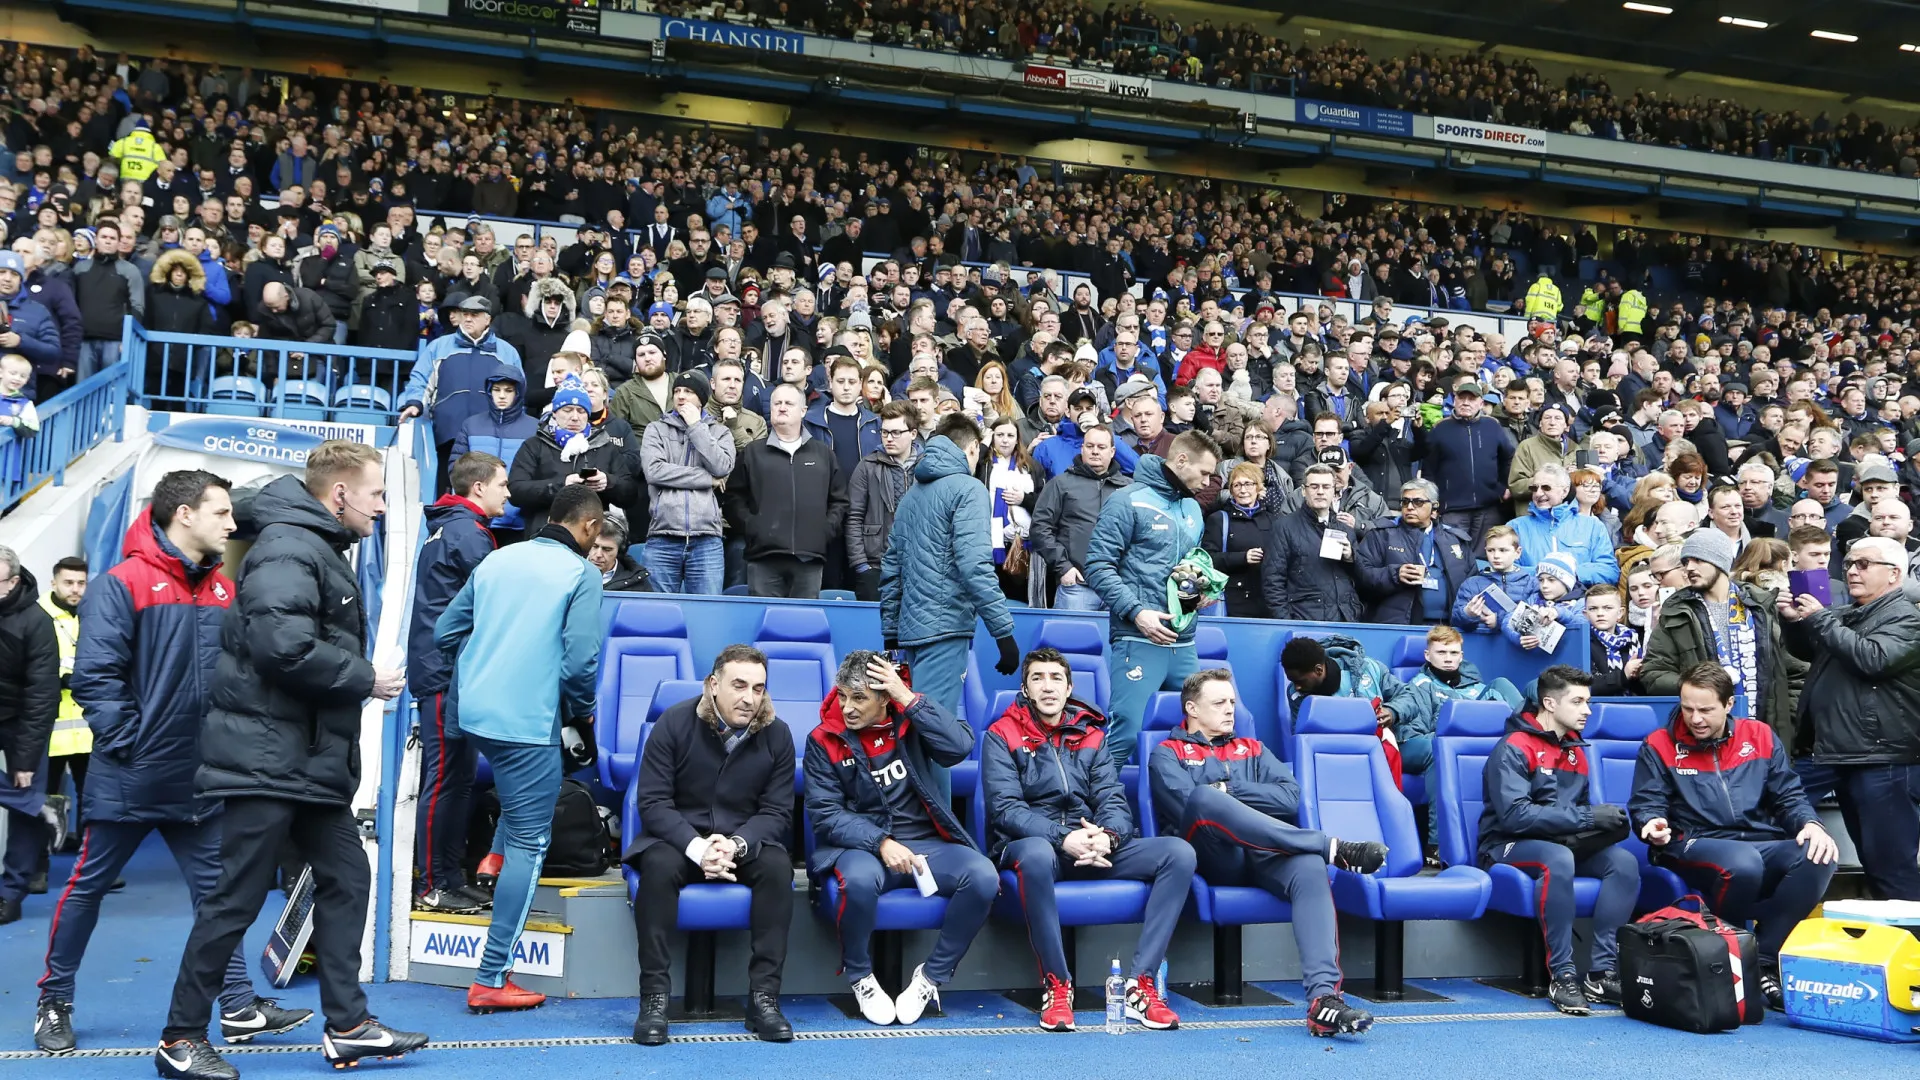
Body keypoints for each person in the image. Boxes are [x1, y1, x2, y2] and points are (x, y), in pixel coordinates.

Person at [158, 442, 427, 1079]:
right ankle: (180, 1037)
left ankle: (350, 1026)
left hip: (301, 761)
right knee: (236, 899)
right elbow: (283, 646)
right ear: (340, 495)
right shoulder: (290, 546)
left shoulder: (310, 545)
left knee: (346, 877)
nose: (383, 506)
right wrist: (366, 677)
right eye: (377, 494)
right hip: (268, 758)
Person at [38, 473, 310, 1054]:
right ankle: (54, 1001)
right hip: (132, 771)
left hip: (201, 776)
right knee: (85, 890)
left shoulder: (221, 590)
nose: (232, 525)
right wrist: (130, 742)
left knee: (218, 898)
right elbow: (95, 678)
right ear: (184, 515)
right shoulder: (121, 583)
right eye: (221, 514)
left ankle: (236, 1007)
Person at [434, 483, 603, 1012]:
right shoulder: (583, 573)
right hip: (525, 723)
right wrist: (579, 711)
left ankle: (493, 857)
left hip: (476, 714)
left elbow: (445, 631)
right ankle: (491, 976)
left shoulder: (498, 560)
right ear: (591, 528)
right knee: (534, 843)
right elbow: (579, 664)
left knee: (534, 783)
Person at [1148, 668, 1383, 1037]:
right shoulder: (1167, 753)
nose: (1230, 710)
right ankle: (1329, 846)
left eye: (1232, 702)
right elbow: (1186, 805)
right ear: (1192, 708)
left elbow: (1289, 797)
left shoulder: (1252, 748)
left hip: (1263, 854)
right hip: (1210, 856)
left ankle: (1324, 1000)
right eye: (1219, 703)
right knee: (1203, 797)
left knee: (1308, 866)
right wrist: (1220, 794)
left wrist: (1229, 787)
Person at [983, 648, 1194, 1032]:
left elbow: (1112, 799)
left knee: (1177, 853)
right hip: (1036, 845)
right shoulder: (1002, 734)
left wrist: (1107, 838)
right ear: (1026, 689)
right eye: (1038, 678)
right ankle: (1057, 986)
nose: (1048, 687)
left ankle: (1141, 984)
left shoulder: (1091, 734)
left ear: (1069, 688)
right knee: (1033, 854)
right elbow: (1005, 810)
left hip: (1092, 844)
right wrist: (1065, 838)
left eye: (1056, 679)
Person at [1629, 662, 1838, 1011]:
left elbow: (1788, 796)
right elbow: (1647, 803)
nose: (1695, 718)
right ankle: (1731, 953)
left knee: (1821, 853)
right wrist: (1651, 824)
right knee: (1743, 863)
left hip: (1757, 840)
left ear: (1728, 705)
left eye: (1706, 710)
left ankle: (1763, 960)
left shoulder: (1759, 735)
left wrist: (1810, 824)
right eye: (1687, 708)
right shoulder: (1659, 744)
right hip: (1690, 842)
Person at [805, 650, 996, 1028]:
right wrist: (880, 842)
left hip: (924, 842)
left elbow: (959, 746)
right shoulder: (823, 738)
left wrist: (908, 699)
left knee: (983, 876)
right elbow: (826, 814)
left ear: (885, 698)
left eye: (859, 698)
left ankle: (930, 978)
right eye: (843, 696)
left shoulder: (909, 721)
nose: (847, 708)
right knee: (857, 881)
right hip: (861, 847)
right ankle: (860, 976)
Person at [629, 646, 795, 1045]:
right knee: (658, 866)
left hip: (741, 843)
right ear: (713, 684)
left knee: (777, 866)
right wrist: (697, 847)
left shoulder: (778, 733)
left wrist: (735, 845)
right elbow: (652, 802)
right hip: (678, 838)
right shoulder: (673, 722)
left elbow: (777, 813)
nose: (749, 698)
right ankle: (654, 1000)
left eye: (758, 688)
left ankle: (764, 999)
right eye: (739, 685)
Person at [1478, 665, 1639, 1016]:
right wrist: (1587, 818)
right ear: (1549, 703)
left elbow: (1575, 813)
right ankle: (1563, 974)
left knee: (1623, 862)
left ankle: (1601, 971)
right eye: (1578, 701)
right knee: (1557, 859)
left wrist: (1605, 827)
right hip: (1504, 845)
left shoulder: (1575, 750)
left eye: (1589, 702)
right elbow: (1515, 817)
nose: (1587, 710)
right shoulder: (1514, 747)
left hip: (1559, 841)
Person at [1778, 535, 1920, 901]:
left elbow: (1873, 659)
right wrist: (1796, 622)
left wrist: (1820, 619)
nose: (1852, 570)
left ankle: (1910, 948)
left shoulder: (1908, 618)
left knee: (1890, 867)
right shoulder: (1850, 613)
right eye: (1850, 564)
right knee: (1775, 811)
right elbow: (1808, 647)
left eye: (1864, 564)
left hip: (1883, 758)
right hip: (1837, 750)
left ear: (1894, 574)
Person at [879, 415, 1020, 767]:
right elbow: (974, 566)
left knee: (916, 734)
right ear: (972, 448)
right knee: (935, 739)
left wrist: (892, 634)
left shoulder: (911, 496)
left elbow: (891, 571)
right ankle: (934, 824)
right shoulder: (968, 488)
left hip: (911, 634)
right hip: (944, 630)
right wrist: (1004, 633)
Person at [407, 452, 509, 914]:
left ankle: (448, 877)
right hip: (446, 672)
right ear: (479, 488)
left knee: (459, 780)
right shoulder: (468, 533)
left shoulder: (450, 527)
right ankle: (430, 884)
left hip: (448, 671)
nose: (509, 492)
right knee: (446, 778)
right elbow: (496, 601)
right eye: (502, 484)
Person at [1083, 431, 1222, 768]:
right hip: (1138, 636)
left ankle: (1187, 816)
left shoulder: (1191, 507)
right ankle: (1096, 815)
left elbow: (1188, 565)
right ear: (1181, 460)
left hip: (1183, 641)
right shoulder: (1127, 500)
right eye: (1204, 473)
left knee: (1201, 735)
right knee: (1124, 734)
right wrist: (1137, 612)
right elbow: (1097, 566)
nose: (1207, 483)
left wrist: (1201, 588)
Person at [1640, 528, 1796, 739]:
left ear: (1720, 561)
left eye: (1698, 560)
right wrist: (1701, 688)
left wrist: (1789, 718)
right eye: (1685, 562)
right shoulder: (1676, 611)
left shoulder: (1761, 606)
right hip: (1704, 736)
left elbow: (1795, 671)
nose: (1689, 568)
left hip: (1765, 735)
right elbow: (1653, 674)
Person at [730, 383, 848, 598]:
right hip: (763, 558)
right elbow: (733, 498)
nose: (782, 408)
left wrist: (824, 530)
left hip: (809, 558)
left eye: (789, 403)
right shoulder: (752, 453)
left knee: (803, 626)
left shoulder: (823, 454)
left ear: (803, 411)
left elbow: (839, 501)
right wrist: (752, 526)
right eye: (777, 403)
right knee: (764, 624)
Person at [0, 543, 59, 927]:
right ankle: (41, 805)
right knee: (28, 801)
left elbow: (42, 696)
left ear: (13, 582)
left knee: (24, 787)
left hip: (22, 720)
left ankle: (10, 893)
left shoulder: (36, 622)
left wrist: (24, 759)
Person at [507, 374, 641, 536]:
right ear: (554, 413)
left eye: (581, 411)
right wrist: (561, 486)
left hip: (591, 538)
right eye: (567, 410)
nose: (575, 417)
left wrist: (608, 482)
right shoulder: (534, 445)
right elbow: (515, 491)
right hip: (544, 534)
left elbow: (630, 494)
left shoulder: (605, 446)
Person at [640, 371, 735, 595]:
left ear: (702, 398)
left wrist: (696, 427)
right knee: (656, 614)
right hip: (662, 536)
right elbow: (654, 471)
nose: (681, 396)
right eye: (677, 391)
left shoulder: (720, 433)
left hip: (706, 540)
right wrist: (706, 479)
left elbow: (721, 467)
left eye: (689, 392)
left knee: (707, 615)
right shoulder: (656, 429)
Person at [1281, 635, 1426, 775]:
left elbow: (1410, 697)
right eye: (1292, 681)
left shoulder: (1369, 668)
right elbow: (1303, 736)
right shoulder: (1296, 693)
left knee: (1432, 750)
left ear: (1318, 670)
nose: (1297, 687)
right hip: (1337, 755)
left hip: (1383, 745)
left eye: (1300, 681)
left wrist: (1392, 711)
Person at [1031, 422, 1131, 613]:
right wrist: (1063, 567)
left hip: (1119, 588)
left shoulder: (1128, 489)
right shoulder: (1060, 483)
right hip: (1076, 586)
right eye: (1090, 446)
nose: (1095, 452)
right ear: (1082, 448)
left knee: (1118, 643)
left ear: (1112, 451)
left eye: (1101, 447)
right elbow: (1040, 528)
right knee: (1070, 642)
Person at [1403, 626, 1524, 771]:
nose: (1448, 659)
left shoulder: (1478, 686)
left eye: (1453, 653)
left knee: (1504, 684)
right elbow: (1412, 736)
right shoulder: (1420, 686)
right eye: (1441, 652)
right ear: (1427, 655)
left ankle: (1533, 735)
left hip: (1482, 740)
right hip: (1446, 743)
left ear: (1461, 656)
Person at [1357, 479, 1474, 625]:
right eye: (1405, 502)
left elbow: (1472, 582)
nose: (1410, 507)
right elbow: (1361, 577)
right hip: (1397, 626)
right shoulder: (1381, 535)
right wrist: (1394, 574)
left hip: (1448, 629)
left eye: (1418, 502)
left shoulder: (1456, 539)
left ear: (1434, 508)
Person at [1263, 463, 1364, 621]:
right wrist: (1285, 622)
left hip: (1346, 618)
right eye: (1314, 486)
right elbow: (1272, 580)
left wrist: (1351, 558)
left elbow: (1362, 578)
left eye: (1326, 486)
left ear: (1334, 491)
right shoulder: (1284, 527)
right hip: (1304, 619)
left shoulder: (1346, 529)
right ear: (1303, 490)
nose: (1320, 492)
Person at [37, 556, 89, 862]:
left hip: (87, 727)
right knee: (42, 800)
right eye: (68, 583)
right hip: (48, 726)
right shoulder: (37, 617)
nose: (75, 589)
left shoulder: (92, 615)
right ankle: (36, 868)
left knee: (93, 799)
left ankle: (91, 866)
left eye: (81, 583)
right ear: (54, 583)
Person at [1421, 382, 1514, 552]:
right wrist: (1434, 502)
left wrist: (1504, 487)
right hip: (1452, 510)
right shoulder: (1440, 428)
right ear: (1454, 401)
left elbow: (1508, 458)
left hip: (1489, 507)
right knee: (1453, 558)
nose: (1466, 402)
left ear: (1481, 403)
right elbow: (1429, 469)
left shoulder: (1492, 425)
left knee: (1486, 557)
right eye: (1461, 398)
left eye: (1471, 399)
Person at [846, 402, 919, 603]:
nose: (888, 438)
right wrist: (861, 565)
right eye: (884, 432)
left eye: (896, 432)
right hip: (875, 566)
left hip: (920, 568)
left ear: (913, 433)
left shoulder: (927, 467)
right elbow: (853, 517)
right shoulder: (867, 466)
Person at [1509, 463, 1620, 586]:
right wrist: (1545, 571)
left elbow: (1609, 571)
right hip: (1532, 600)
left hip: (1581, 601)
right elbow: (1505, 569)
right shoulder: (1515, 527)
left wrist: (1570, 572)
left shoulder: (1593, 526)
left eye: (1546, 488)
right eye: (1534, 488)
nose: (1539, 493)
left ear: (1565, 491)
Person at [1203, 461, 1274, 618]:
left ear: (1259, 487)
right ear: (1231, 490)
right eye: (1237, 485)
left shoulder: (1272, 520)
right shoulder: (1219, 519)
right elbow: (1208, 559)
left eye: (1248, 484)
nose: (1243, 490)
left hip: (1266, 601)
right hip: (1232, 600)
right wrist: (1243, 557)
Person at [1452, 525, 1540, 634]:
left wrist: (1499, 620)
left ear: (1518, 552)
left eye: (1503, 550)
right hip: (1483, 646)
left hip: (1521, 648)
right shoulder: (1472, 584)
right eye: (1491, 550)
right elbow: (1455, 622)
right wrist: (1467, 614)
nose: (1496, 555)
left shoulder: (1531, 584)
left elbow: (1536, 622)